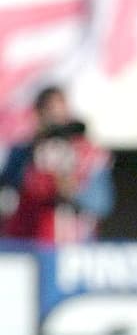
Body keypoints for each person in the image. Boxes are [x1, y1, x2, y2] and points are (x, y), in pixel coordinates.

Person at [0, 86, 115, 243]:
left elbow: (101, 203)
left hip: (75, 241)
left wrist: (72, 188)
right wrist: (34, 164)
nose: (54, 120)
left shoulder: (87, 152)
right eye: (48, 111)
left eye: (59, 112)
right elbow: (10, 191)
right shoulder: (23, 151)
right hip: (29, 240)